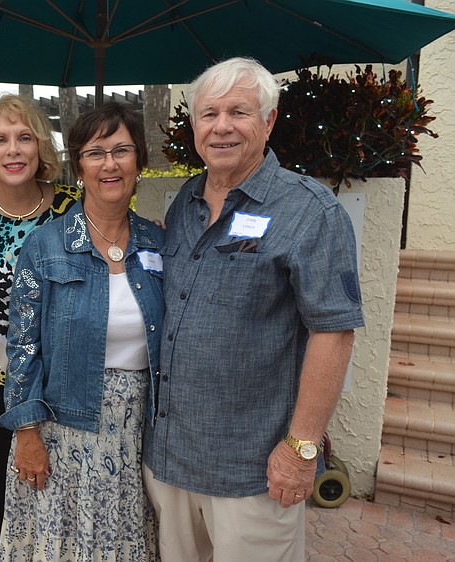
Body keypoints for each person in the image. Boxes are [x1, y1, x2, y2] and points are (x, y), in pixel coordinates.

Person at [143, 57, 364, 562]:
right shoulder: (185, 201)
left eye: (238, 112)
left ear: (268, 121)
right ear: (194, 125)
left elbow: (334, 333)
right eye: (208, 114)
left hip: (253, 470)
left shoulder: (310, 211)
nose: (221, 126)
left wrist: (301, 448)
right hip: (170, 461)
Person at [0, 103, 163, 561]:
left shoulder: (159, 243)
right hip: (61, 432)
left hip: (139, 432)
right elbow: (22, 345)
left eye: (122, 150)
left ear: (139, 161)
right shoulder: (45, 246)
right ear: (79, 166)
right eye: (95, 153)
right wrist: (26, 432)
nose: (110, 164)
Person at [0, 94, 80, 562]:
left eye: (24, 137)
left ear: (40, 146)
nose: (13, 150)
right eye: (0, 140)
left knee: (64, 484)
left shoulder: (73, 207)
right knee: (4, 486)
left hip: (66, 375)